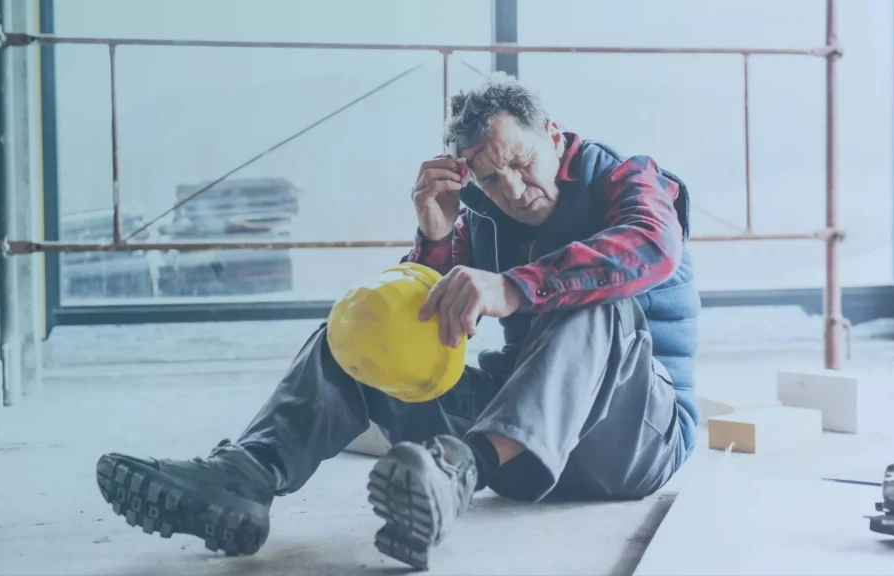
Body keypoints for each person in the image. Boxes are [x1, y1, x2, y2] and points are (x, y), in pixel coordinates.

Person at [95, 72, 701, 570]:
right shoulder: (483, 215)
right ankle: (246, 476)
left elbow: (653, 244)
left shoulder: (628, 178)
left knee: (595, 300)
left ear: (552, 133)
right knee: (357, 335)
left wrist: (515, 286)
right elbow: (423, 330)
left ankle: (458, 471)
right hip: (517, 450)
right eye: (491, 179)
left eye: (521, 161)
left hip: (631, 444)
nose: (514, 190)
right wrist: (434, 238)